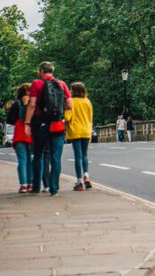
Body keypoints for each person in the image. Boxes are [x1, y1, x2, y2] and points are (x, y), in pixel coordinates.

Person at [25, 62, 73, 195]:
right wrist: (57, 110)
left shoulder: (37, 83)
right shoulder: (62, 84)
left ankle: (36, 186)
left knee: (38, 155)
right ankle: (54, 188)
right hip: (57, 125)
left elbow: (32, 105)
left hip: (41, 125)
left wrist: (27, 123)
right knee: (55, 158)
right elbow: (70, 105)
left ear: (41, 71)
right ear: (52, 71)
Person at [65, 83, 94, 189]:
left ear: (74, 91)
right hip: (86, 130)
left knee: (78, 156)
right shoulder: (87, 101)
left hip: (75, 130)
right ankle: (86, 175)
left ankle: (79, 181)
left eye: (70, 89)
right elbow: (90, 117)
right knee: (85, 154)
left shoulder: (71, 102)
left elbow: (67, 117)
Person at [11, 84, 34, 193]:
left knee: (22, 160)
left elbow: (10, 119)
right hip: (30, 132)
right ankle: (30, 183)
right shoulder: (33, 103)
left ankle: (23, 184)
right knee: (30, 159)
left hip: (19, 132)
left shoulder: (16, 103)